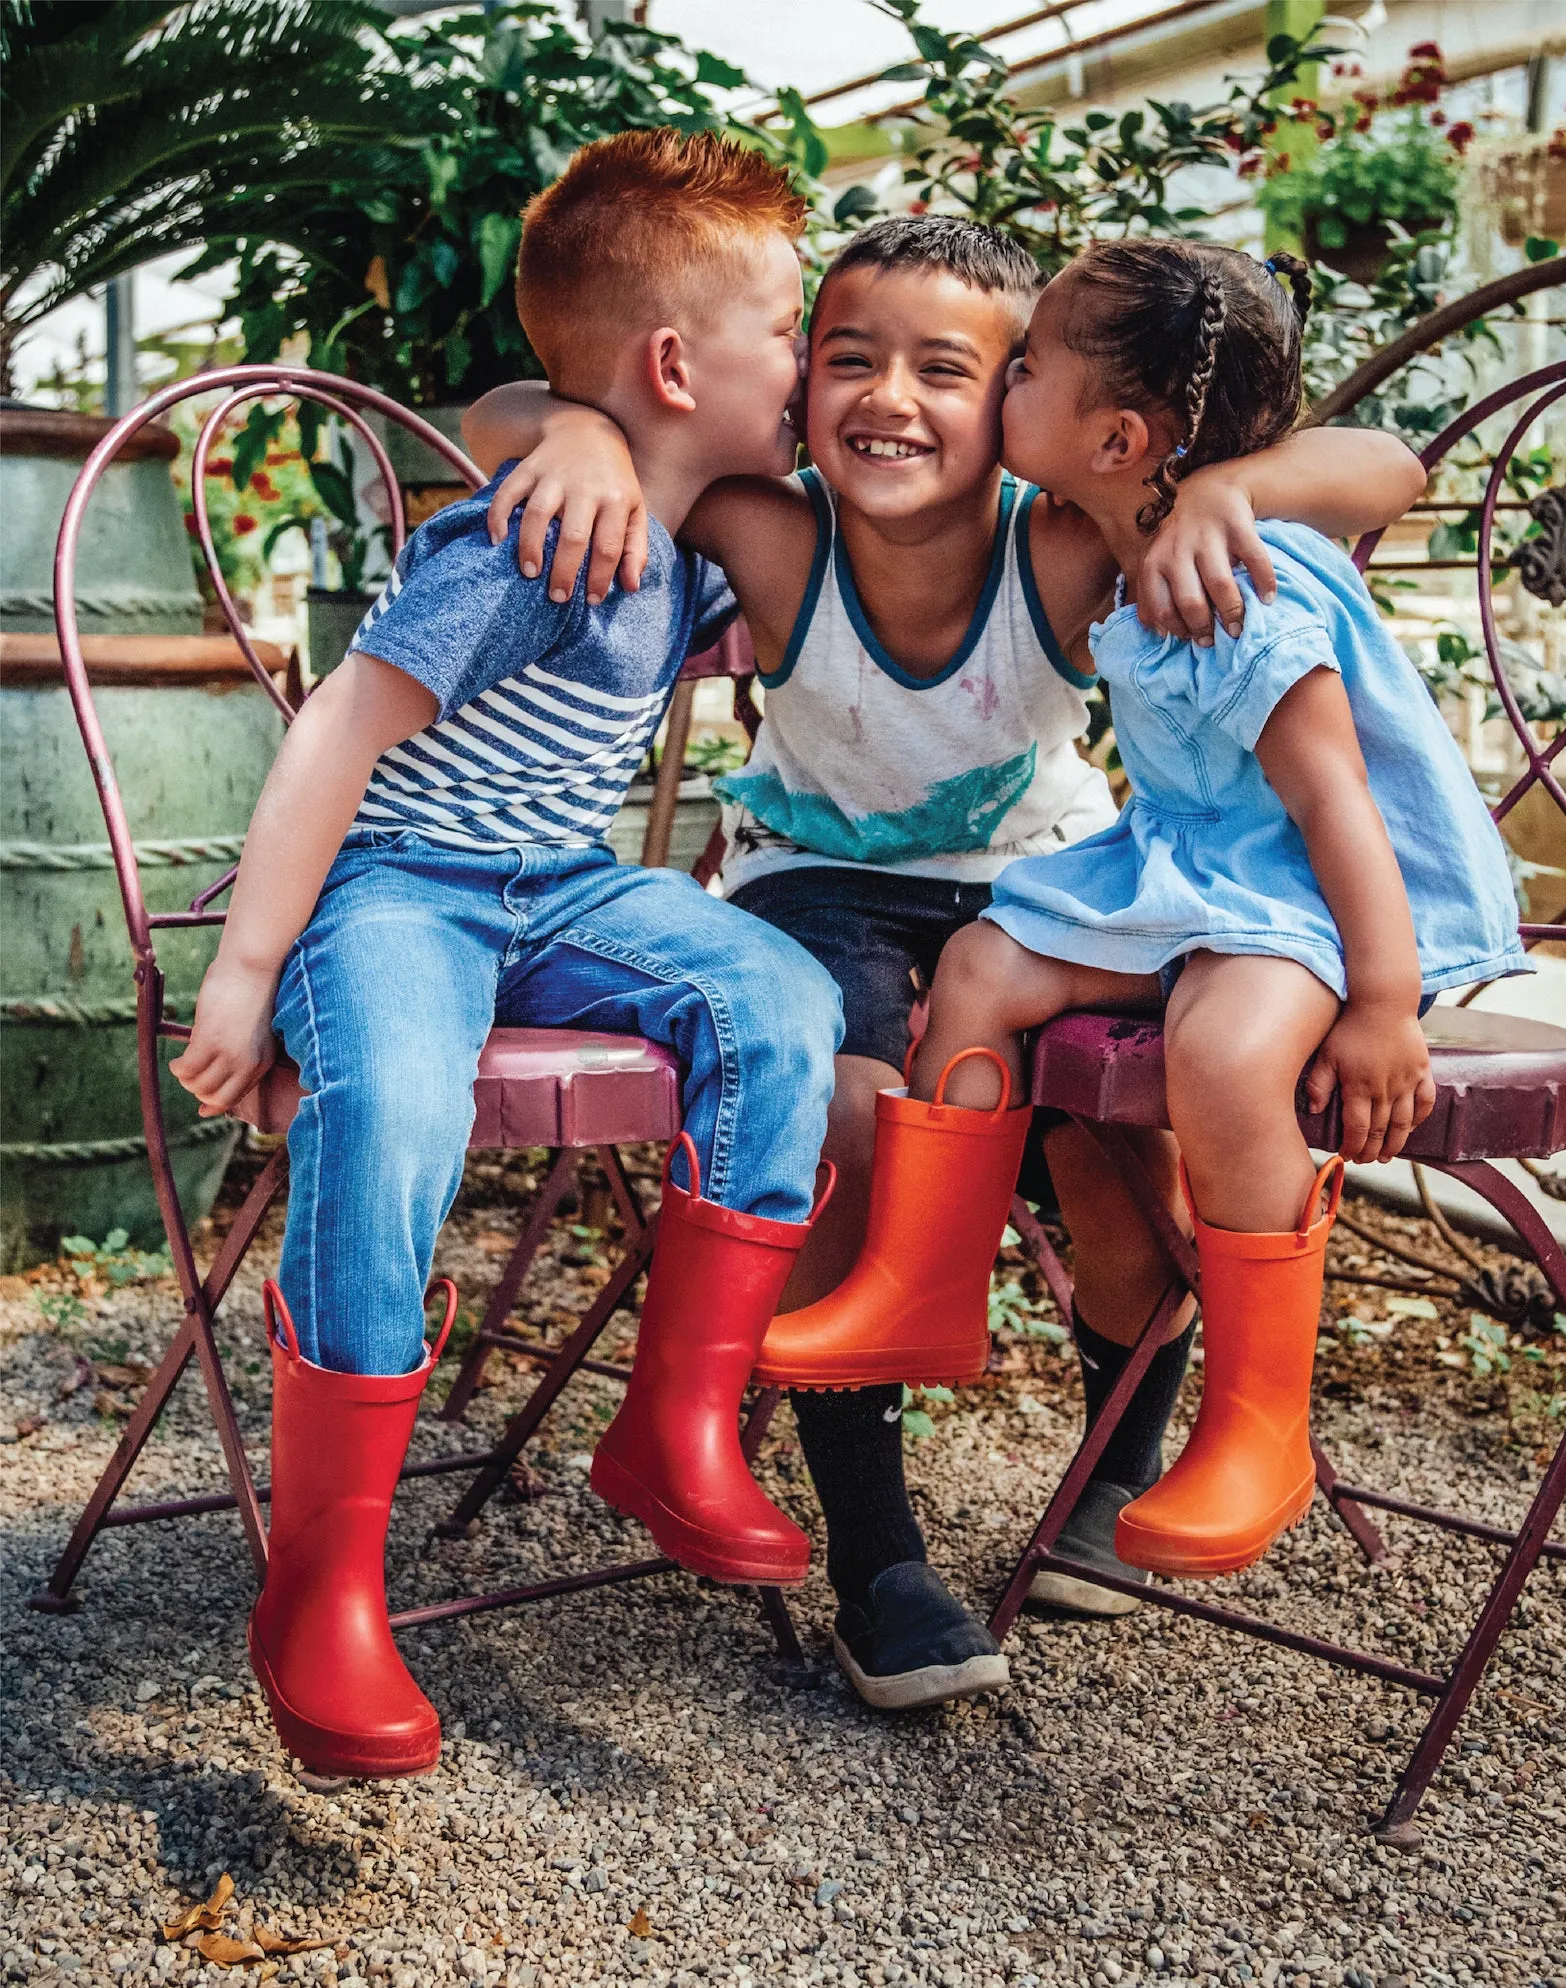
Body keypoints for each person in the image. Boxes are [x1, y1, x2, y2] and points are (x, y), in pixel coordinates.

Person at [462, 217, 1426, 1710]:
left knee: (1126, 1143)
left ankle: (1116, 1476)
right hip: (818, 885)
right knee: (846, 1117)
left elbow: (1389, 470)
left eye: (948, 369)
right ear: (797, 392)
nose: (887, 398)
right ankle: (880, 1552)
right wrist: (584, 437)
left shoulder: (1071, 542)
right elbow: (497, 416)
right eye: (847, 359)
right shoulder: (764, 526)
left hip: (1047, 891)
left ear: (1026, 409)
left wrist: (1223, 485)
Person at [166, 130, 846, 1778]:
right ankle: (322, 1586)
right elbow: (343, 731)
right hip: (398, 886)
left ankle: (675, 1425)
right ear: (679, 365)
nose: (811, 361)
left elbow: (543, 416)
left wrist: (564, 423)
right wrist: (252, 970)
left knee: (779, 994)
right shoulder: (528, 545)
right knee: (393, 1100)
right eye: (791, 330)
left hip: (560, 888)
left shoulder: (684, 532)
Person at [778, 239, 1530, 1582]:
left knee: (1223, 1054)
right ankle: (923, 1284)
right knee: (985, 965)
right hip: (1187, 870)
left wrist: (1377, 1003)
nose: (1005, 385)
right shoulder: (1120, 538)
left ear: (1117, 436)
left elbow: (1340, 804)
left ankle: (1258, 1421)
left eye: (1023, 369)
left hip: (1306, 900)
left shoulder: (1242, 579)